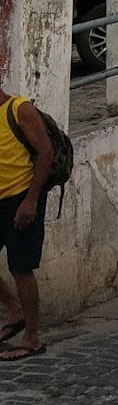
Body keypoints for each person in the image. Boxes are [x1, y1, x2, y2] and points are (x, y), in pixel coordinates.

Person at [0, 86, 53, 362]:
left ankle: (32, 338)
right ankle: (15, 312)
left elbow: (46, 152)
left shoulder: (19, 110)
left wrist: (31, 200)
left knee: (21, 268)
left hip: (21, 198)